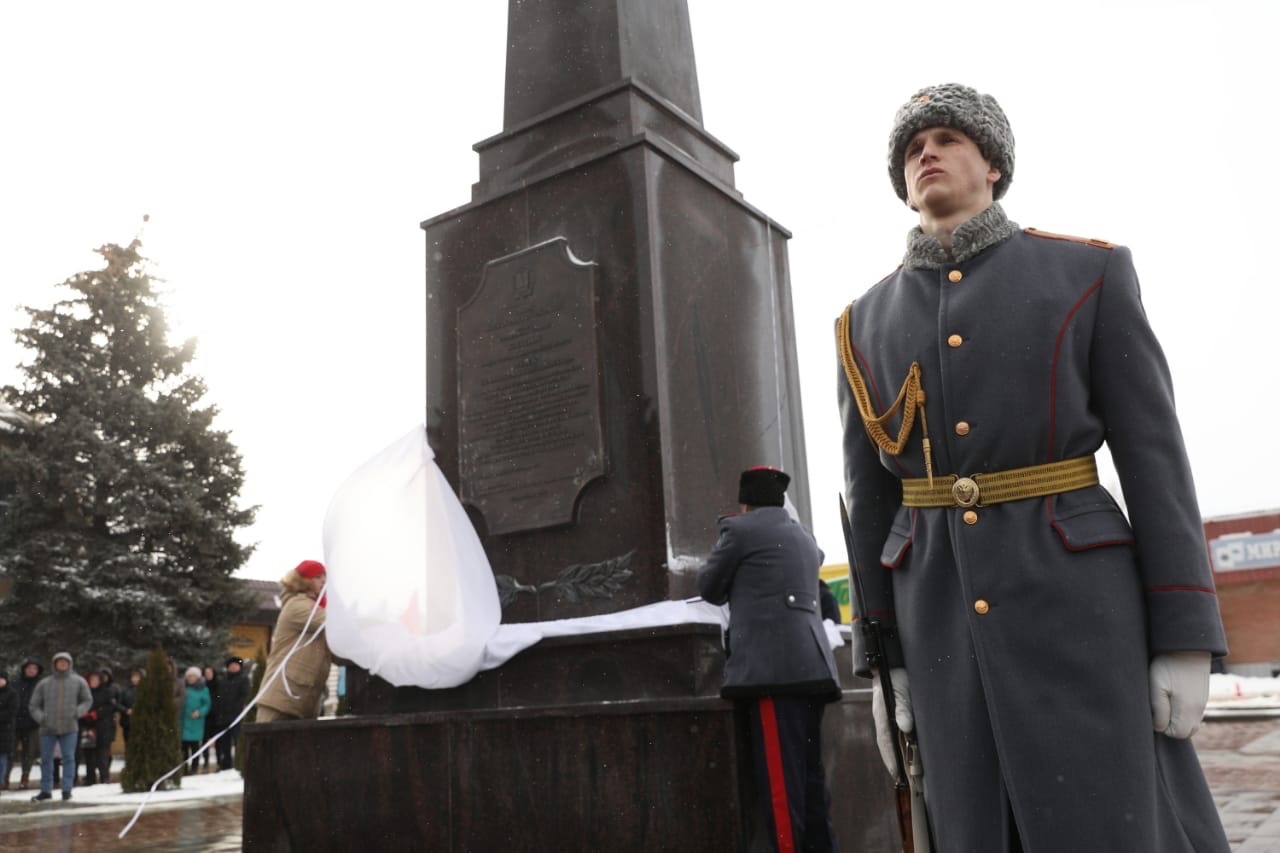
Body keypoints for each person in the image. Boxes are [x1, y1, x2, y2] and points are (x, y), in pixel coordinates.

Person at [836, 82, 1230, 852]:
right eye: (913, 148)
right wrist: (883, 661)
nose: (926, 153)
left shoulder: (1088, 275)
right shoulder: (862, 323)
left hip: (1079, 606)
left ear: (993, 165)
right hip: (938, 615)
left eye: (947, 138)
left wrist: (1184, 632)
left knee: (1114, 819)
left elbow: (1154, 461)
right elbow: (870, 498)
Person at [697, 467, 841, 852]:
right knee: (811, 783)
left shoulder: (741, 531)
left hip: (772, 672)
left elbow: (708, 588)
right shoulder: (804, 536)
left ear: (746, 502)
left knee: (781, 790)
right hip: (814, 669)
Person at [256, 559, 333, 722]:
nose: (324, 581)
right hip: (281, 698)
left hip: (300, 700)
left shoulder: (316, 608)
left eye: (324, 577)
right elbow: (336, 622)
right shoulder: (298, 605)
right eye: (318, 577)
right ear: (304, 580)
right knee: (268, 745)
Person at [28, 652, 91, 802]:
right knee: (46, 760)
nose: (62, 664)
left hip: (70, 727)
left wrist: (78, 712)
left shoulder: (79, 681)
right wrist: (42, 718)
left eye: (65, 662)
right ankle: (45, 790)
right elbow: (33, 705)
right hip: (47, 728)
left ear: (69, 663)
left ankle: (67, 790)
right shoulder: (44, 683)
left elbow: (87, 700)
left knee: (69, 758)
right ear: (54, 664)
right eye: (59, 662)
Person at [9, 657, 43, 790]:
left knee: (28, 754)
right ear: (24, 670)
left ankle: (25, 778)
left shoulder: (41, 685)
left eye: (34, 668)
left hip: (33, 724)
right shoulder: (15, 684)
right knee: (10, 752)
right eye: (29, 668)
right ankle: (4, 778)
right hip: (15, 724)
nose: (31, 670)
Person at [214, 657, 249, 770]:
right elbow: (218, 696)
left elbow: (244, 695)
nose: (233, 667)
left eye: (235, 665)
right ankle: (226, 763)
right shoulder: (223, 681)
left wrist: (238, 708)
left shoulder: (243, 679)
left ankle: (240, 762)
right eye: (231, 665)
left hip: (236, 715)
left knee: (238, 740)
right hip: (223, 716)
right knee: (224, 742)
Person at [179, 666, 211, 773]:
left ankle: (194, 767)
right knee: (183, 748)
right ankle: (184, 768)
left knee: (194, 747)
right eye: (189, 676)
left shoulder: (203, 689)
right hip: (183, 722)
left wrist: (199, 712)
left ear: (197, 677)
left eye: (193, 676)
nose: (190, 678)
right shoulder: (183, 688)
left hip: (195, 722)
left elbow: (207, 704)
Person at [200, 664, 221, 769]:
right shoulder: (202, 686)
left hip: (216, 716)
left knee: (217, 740)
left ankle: (219, 760)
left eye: (210, 673)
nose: (208, 675)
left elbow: (221, 700)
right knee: (204, 740)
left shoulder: (219, 685)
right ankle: (206, 760)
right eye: (206, 673)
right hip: (205, 717)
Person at [118, 667, 144, 746]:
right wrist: (126, 710)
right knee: (128, 744)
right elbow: (118, 704)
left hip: (141, 722)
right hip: (127, 722)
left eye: (137, 677)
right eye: (133, 677)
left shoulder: (145, 690)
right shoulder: (126, 690)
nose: (135, 679)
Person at [0, 671, 16, 792]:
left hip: (5, 731)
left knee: (2, 759)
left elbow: (11, 713)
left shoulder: (12, 694)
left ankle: (1, 781)